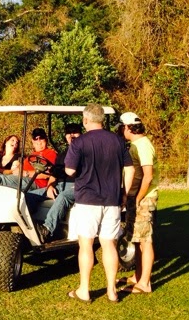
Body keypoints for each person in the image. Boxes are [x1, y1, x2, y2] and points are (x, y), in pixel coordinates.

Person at [64, 103, 134, 303]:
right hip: (112, 199)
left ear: (85, 120)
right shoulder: (118, 141)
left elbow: (69, 171)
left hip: (87, 200)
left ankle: (84, 290)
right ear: (102, 119)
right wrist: (124, 193)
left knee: (86, 244)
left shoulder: (79, 142)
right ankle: (112, 291)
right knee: (109, 244)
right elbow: (129, 169)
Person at [119, 112, 158, 294]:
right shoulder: (136, 144)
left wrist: (139, 198)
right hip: (136, 197)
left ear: (128, 127)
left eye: (122, 127)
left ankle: (145, 283)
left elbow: (148, 176)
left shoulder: (143, 145)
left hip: (144, 198)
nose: (121, 131)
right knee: (136, 238)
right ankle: (138, 276)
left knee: (145, 241)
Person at [34, 123, 82, 242]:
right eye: (68, 133)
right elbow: (54, 175)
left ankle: (46, 229)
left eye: (75, 132)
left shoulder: (86, 153)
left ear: (81, 134)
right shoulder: (62, 155)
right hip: (59, 185)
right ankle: (26, 225)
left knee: (63, 196)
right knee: (29, 195)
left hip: (78, 186)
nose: (71, 135)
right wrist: (50, 186)